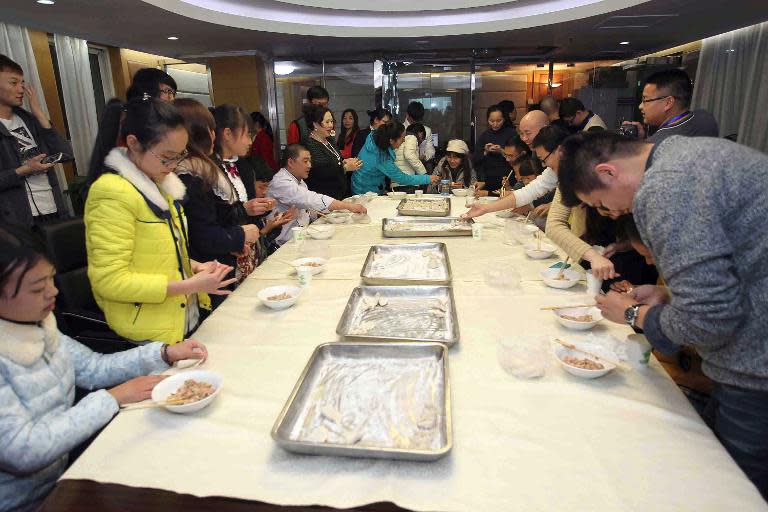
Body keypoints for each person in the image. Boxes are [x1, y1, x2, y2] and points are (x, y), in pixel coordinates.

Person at [557, 131, 768, 498]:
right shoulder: (686, 152)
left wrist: (633, 314)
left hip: (755, 367)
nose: (614, 213)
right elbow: (741, 270)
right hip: (752, 343)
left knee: (736, 493)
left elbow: (708, 321)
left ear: (608, 173)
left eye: (602, 203)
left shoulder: (665, 190)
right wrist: (671, 295)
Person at [0, 223, 208, 512]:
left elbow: (93, 368)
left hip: (63, 475)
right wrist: (112, 398)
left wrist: (164, 353)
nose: (53, 293)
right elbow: (23, 449)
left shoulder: (38, 324)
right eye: (37, 288)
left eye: (51, 279)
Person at [85, 97, 234, 344]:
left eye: (179, 156)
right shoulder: (111, 193)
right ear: (133, 143)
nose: (174, 165)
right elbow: (109, 281)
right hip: (148, 332)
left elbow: (159, 253)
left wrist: (195, 266)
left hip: (181, 318)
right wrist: (188, 285)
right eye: (167, 157)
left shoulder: (159, 182)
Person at [173, 99, 262, 302]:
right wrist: (238, 235)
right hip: (209, 270)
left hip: (218, 262)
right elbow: (200, 232)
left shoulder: (208, 168)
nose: (214, 135)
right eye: (209, 129)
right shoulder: (192, 174)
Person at [0, 54, 72, 228]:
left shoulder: (29, 120)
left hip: (53, 211)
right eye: (13, 82)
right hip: (18, 221)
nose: (21, 89)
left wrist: (39, 114)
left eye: (22, 83)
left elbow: (66, 154)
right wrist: (23, 170)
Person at [212, 104, 275, 283]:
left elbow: (249, 209)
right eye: (247, 135)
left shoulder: (244, 166)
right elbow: (214, 216)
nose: (250, 141)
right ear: (227, 134)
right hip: (226, 254)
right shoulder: (211, 169)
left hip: (249, 248)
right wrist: (245, 210)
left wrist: (262, 207)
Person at [268, 144, 366, 246]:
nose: (309, 165)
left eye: (310, 161)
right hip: (283, 243)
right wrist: (348, 206)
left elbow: (307, 210)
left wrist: (324, 213)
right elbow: (310, 199)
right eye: (305, 161)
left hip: (301, 236)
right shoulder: (281, 182)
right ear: (291, 162)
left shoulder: (299, 181)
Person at [465, 126, 567, 221]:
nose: (544, 165)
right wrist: (485, 208)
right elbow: (528, 191)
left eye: (543, 159)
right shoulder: (553, 170)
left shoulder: (579, 170)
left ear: (559, 151)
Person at [622, 69, 719, 143]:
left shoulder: (657, 144)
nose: (640, 106)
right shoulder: (705, 118)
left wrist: (638, 145)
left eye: (645, 100)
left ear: (668, 103)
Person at [352, 122, 439, 195]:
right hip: (364, 192)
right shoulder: (380, 157)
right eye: (402, 138)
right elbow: (402, 178)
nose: (404, 141)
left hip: (364, 185)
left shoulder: (374, 139)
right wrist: (427, 178)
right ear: (391, 141)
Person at [304, 105, 362, 200]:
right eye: (327, 122)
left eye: (331, 121)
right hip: (323, 196)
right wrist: (345, 167)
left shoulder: (330, 140)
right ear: (315, 124)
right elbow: (320, 171)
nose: (331, 125)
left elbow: (335, 159)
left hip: (339, 193)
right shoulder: (310, 145)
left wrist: (345, 161)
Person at [252, 164, 296, 261]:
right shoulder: (245, 210)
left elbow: (267, 241)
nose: (264, 192)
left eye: (267, 187)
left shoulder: (261, 208)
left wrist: (276, 225)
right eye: (261, 187)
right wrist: (267, 228)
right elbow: (250, 245)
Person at [473, 105, 517, 196]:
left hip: (507, 178)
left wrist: (501, 151)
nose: (495, 124)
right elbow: (476, 159)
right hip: (488, 179)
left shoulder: (511, 133)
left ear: (504, 119)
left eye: (499, 121)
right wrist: (485, 151)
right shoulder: (484, 135)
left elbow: (517, 157)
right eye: (491, 121)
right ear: (487, 120)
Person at [393, 122, 428, 192]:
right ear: (420, 133)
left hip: (396, 182)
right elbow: (409, 154)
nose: (421, 141)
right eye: (422, 137)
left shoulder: (399, 138)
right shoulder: (412, 137)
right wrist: (423, 173)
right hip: (408, 182)